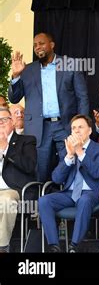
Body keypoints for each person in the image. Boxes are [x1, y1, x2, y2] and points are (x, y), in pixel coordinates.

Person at [9, 32, 89, 182]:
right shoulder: (27, 70)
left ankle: (69, 199)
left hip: (64, 125)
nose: (38, 47)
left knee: (70, 165)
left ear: (52, 45)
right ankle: (41, 201)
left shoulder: (69, 65)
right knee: (39, 169)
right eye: (35, 45)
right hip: (38, 128)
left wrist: (81, 125)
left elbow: (82, 97)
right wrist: (16, 76)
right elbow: (14, 98)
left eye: (41, 43)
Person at [39, 115, 99, 252]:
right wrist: (69, 156)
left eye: (80, 127)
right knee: (44, 201)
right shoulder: (66, 150)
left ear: (90, 131)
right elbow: (56, 179)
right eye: (73, 128)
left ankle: (74, 246)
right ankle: (54, 246)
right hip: (69, 193)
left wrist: (80, 152)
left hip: (91, 193)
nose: (76, 131)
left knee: (84, 200)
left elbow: (97, 173)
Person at [0, 108, 37, 252]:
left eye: (4, 119)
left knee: (6, 201)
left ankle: (2, 247)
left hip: (15, 190)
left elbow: (29, 166)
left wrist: (5, 148)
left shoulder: (27, 141)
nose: (1, 123)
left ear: (13, 122)